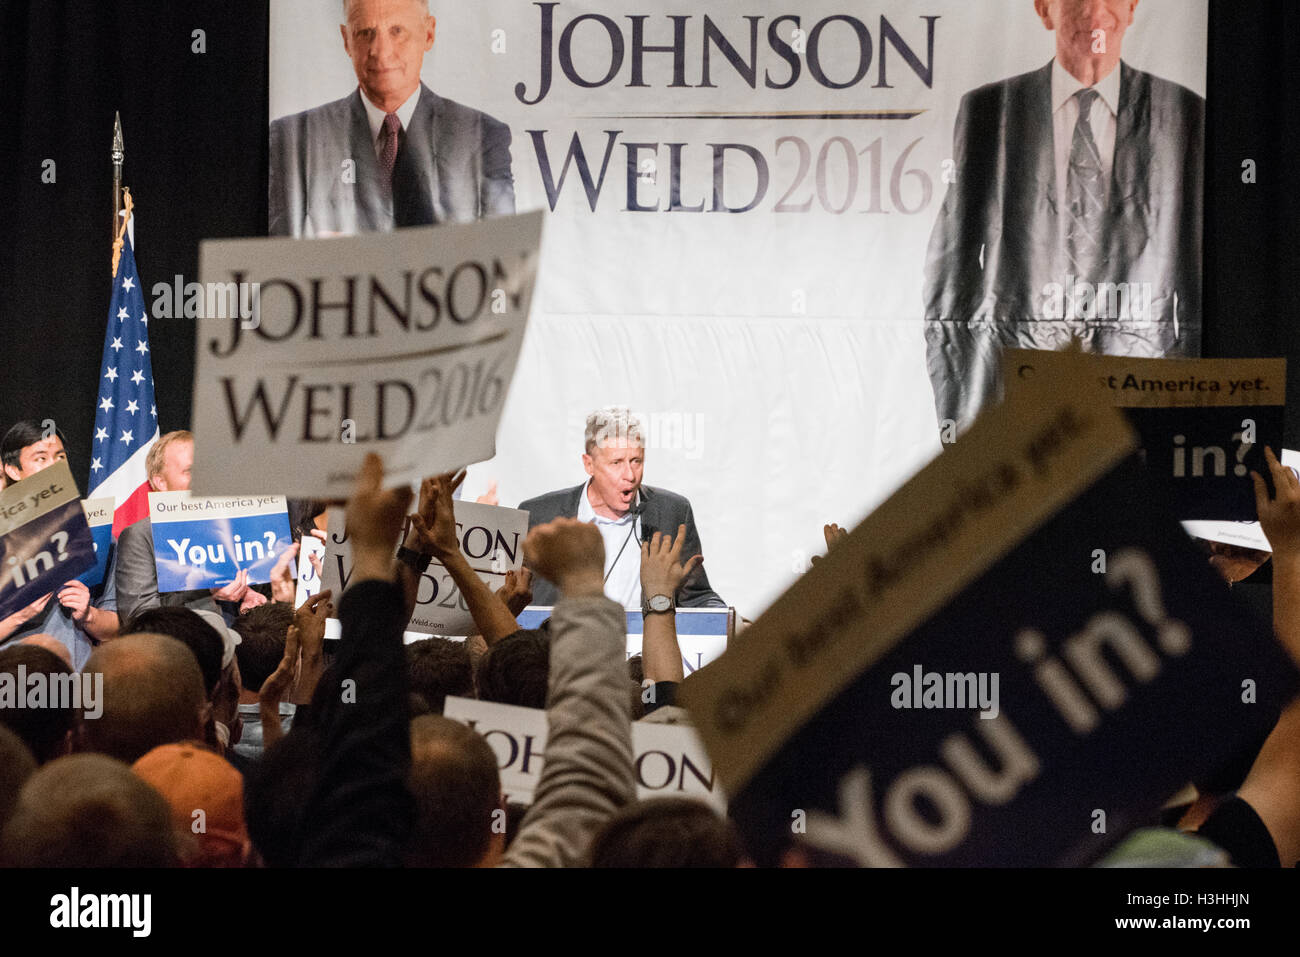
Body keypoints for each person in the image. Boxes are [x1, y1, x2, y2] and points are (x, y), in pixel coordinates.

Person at [922, 0, 1203, 432]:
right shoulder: (989, 111)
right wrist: (962, 414)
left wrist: (1184, 407)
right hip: (1021, 398)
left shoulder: (1182, 112)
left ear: (1132, 8)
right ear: (1044, 9)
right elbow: (950, 276)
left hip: (1143, 399)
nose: (1093, 11)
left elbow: (1201, 278)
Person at [268, 0, 515, 237]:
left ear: (428, 34)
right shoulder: (294, 140)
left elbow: (502, 250)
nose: (381, 51)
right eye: (365, 32)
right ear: (346, 40)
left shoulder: (481, 136)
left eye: (397, 31)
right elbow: (279, 253)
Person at [517, 407, 725, 610]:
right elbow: (516, 594)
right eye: (616, 463)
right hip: (563, 632)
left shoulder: (672, 512)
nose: (630, 475)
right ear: (589, 464)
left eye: (636, 461)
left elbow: (696, 597)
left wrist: (728, 620)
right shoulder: (539, 515)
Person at [0, 420, 120, 669]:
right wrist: (18, 617)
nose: (54, 466)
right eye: (41, 458)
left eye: (60, 457)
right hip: (11, 680)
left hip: (76, 679)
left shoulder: (97, 532)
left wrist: (88, 615)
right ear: (13, 470)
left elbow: (115, 629)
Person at [114, 431, 260, 622]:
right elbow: (139, 615)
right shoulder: (141, 536)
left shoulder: (230, 527)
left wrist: (250, 599)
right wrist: (207, 592)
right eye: (190, 471)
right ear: (161, 482)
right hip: (182, 640)